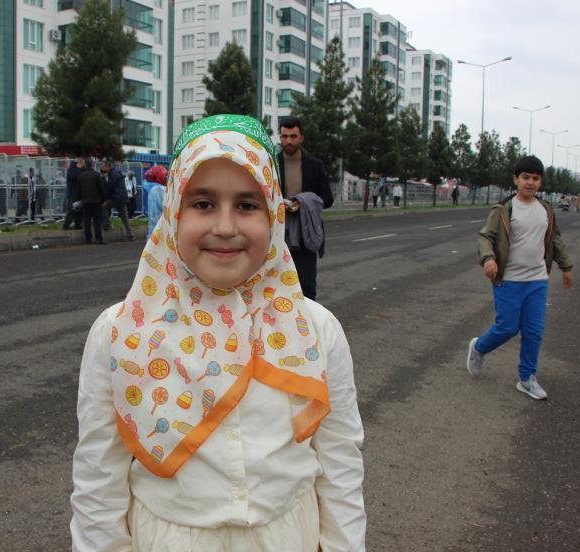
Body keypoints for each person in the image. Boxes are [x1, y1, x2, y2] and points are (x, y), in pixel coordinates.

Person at [71, 114, 365, 552]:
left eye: (247, 205)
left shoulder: (316, 329)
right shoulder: (122, 331)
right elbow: (98, 478)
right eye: (204, 203)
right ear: (173, 211)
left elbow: (340, 464)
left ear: (274, 215)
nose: (225, 227)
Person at [467, 155, 573, 400]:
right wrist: (489, 259)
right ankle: (479, 347)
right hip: (509, 280)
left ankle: (527, 378)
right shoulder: (504, 210)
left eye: (535, 178)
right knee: (507, 328)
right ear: (516, 179)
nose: (530, 182)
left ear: (540, 181)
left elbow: (555, 239)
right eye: (525, 177)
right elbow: (485, 237)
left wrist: (566, 267)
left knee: (534, 331)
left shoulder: (546, 210)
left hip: (537, 280)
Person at [276, 116, 334, 301]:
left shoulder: (315, 165)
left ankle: (308, 319)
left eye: (293, 136)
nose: (289, 141)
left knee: (306, 286)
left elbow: (327, 198)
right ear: (280, 137)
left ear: (301, 138)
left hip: (305, 234)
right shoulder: (271, 164)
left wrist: (305, 202)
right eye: (285, 136)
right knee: (276, 286)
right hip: (277, 234)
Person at [102, 160, 135, 241]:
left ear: (107, 166)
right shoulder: (117, 173)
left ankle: (107, 225)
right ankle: (130, 235)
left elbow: (111, 187)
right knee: (124, 216)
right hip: (122, 198)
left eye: (103, 166)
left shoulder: (112, 174)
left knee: (103, 207)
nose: (102, 168)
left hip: (116, 198)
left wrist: (105, 198)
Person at [77, 158, 106, 244]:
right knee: (97, 220)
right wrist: (103, 199)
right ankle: (98, 238)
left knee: (87, 221)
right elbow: (101, 188)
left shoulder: (81, 176)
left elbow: (78, 190)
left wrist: (79, 199)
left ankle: (88, 239)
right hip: (96, 201)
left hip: (85, 201)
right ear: (92, 165)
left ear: (85, 165)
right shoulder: (96, 175)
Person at [63, 159, 83, 230]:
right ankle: (66, 225)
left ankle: (78, 224)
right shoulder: (72, 167)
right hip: (72, 193)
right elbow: (73, 176)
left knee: (79, 210)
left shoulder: (81, 168)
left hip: (79, 193)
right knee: (72, 210)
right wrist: (79, 168)